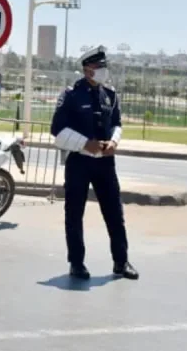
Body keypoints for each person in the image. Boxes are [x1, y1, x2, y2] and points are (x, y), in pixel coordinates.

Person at [50, 45, 139, 281]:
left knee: (114, 213)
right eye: (99, 67)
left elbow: (117, 123)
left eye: (104, 66)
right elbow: (57, 130)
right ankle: (76, 263)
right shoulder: (71, 95)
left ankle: (121, 262)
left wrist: (114, 142)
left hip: (105, 163)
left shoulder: (109, 94)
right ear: (87, 69)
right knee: (74, 213)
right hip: (79, 161)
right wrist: (84, 144)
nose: (103, 71)